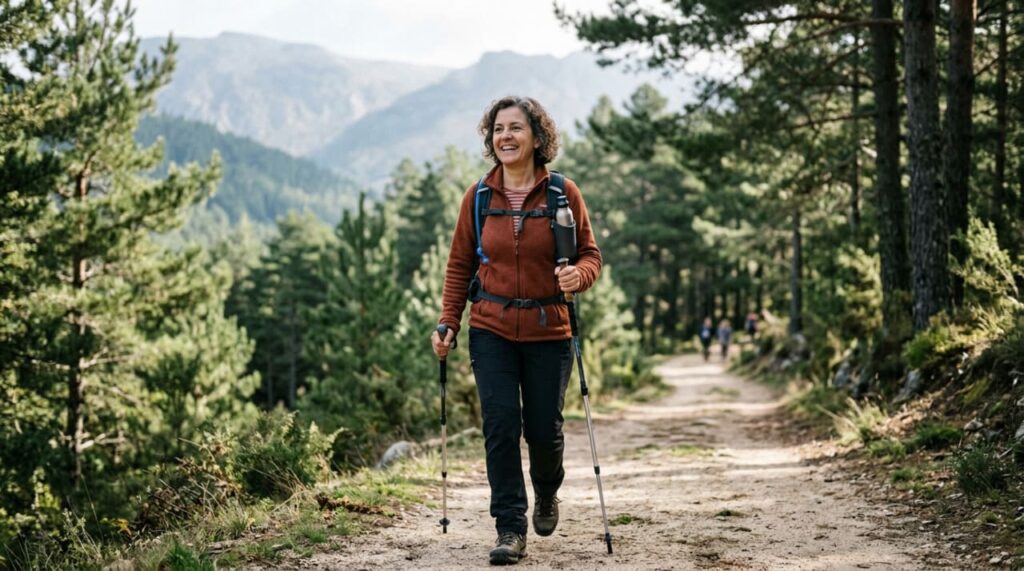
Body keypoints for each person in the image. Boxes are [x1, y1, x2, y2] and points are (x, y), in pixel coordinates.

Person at [431, 96, 602, 565]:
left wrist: (579, 276)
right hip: (492, 329)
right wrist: (448, 321)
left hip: (549, 329)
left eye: (515, 128)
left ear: (537, 137)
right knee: (501, 425)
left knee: (544, 430)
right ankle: (510, 526)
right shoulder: (479, 197)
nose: (505, 136)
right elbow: (459, 265)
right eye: (498, 129)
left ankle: (546, 489)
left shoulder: (563, 193)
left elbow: (590, 255)